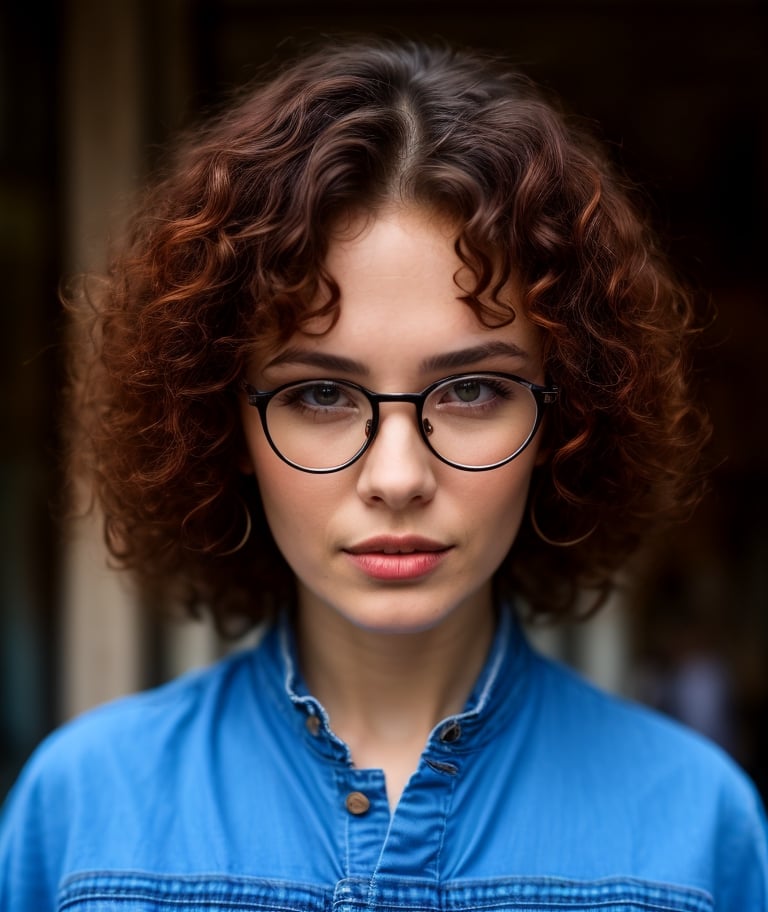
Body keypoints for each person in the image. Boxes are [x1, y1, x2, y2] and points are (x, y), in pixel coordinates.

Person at [1, 38, 766, 911]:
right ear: (222, 424)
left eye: (473, 389)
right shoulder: (82, 815)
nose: (397, 475)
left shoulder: (698, 831)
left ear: (567, 416)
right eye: (321, 394)